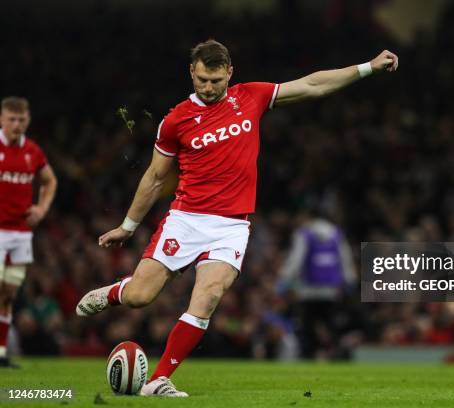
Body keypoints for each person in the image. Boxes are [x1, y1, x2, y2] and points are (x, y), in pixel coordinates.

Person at [76, 40, 398, 397]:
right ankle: (117, 292)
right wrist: (127, 226)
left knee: (208, 296)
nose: (209, 88)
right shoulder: (175, 121)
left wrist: (367, 67)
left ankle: (158, 380)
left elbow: (312, 84)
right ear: (191, 73)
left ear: (229, 73)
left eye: (215, 80)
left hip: (231, 226)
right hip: (186, 219)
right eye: (201, 80)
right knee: (140, 296)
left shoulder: (250, 97)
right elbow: (154, 178)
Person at [0, 97, 57, 367]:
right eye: (11, 119)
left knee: (9, 294)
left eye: (21, 120)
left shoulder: (32, 151)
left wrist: (41, 209)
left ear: (28, 121)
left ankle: (1, 353)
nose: (16, 124)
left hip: (21, 233)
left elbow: (49, 181)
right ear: (2, 119)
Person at [278, 210, 356, 359]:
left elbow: (296, 260)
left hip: (308, 290)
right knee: (331, 323)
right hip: (331, 290)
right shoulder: (336, 234)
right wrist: (350, 280)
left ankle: (308, 355)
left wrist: (285, 280)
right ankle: (336, 354)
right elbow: (345, 259)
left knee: (307, 324)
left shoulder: (304, 234)